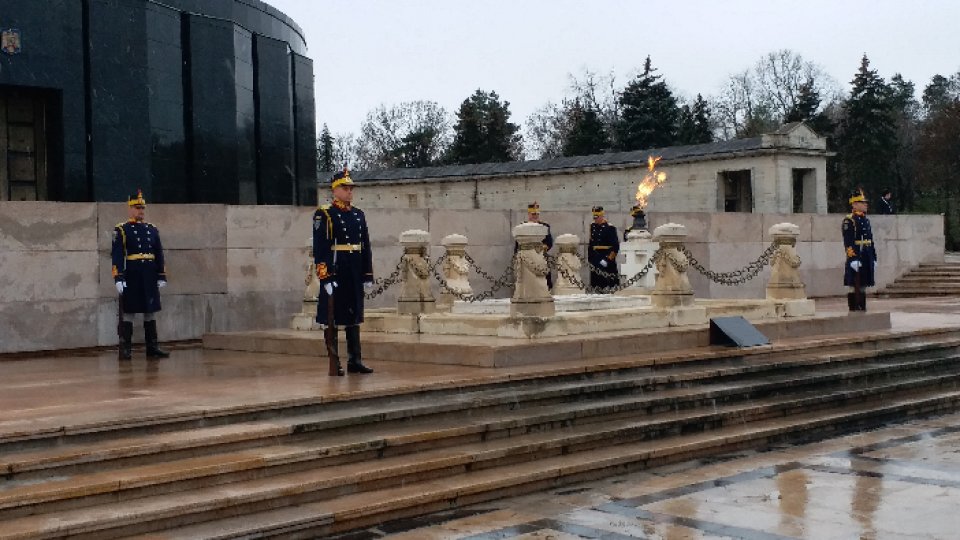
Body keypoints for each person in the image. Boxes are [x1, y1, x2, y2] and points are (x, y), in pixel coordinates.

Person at [314, 167, 374, 375]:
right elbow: (321, 248)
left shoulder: (358, 215)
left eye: (351, 188)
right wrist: (325, 276)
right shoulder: (325, 214)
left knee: (353, 316)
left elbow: (364, 246)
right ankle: (335, 361)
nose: (350, 191)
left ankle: (354, 360)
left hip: (354, 271)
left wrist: (367, 274)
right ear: (335, 190)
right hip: (336, 272)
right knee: (333, 318)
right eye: (345, 188)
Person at [112, 189, 169, 360]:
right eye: (137, 208)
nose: (141, 211)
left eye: (142, 208)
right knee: (129, 311)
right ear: (130, 209)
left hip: (149, 274)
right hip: (133, 275)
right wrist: (118, 277)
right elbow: (117, 255)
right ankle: (126, 348)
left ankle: (152, 346)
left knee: (150, 310)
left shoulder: (152, 229)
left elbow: (159, 253)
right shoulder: (122, 229)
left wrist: (161, 275)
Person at [842, 188, 877, 312]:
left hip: (866, 255)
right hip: (858, 255)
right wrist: (853, 259)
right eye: (863, 202)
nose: (865, 204)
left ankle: (862, 307)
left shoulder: (865, 220)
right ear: (855, 204)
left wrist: (874, 257)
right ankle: (854, 308)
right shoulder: (849, 220)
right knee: (854, 285)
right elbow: (848, 242)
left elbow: (870, 240)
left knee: (863, 284)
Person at [515, 202, 554, 290]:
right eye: (533, 214)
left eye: (537, 214)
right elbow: (518, 244)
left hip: (541, 256)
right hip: (526, 258)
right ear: (529, 214)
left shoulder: (544, 226)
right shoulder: (522, 227)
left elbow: (549, 242)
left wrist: (541, 249)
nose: (535, 216)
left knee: (545, 280)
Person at [588, 206, 620, 290]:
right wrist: (590, 258)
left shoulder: (609, 227)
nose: (595, 219)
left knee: (607, 281)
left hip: (606, 256)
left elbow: (615, 246)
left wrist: (608, 259)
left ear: (602, 216)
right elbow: (591, 244)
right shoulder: (593, 227)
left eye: (597, 217)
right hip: (595, 257)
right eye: (594, 217)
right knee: (596, 281)